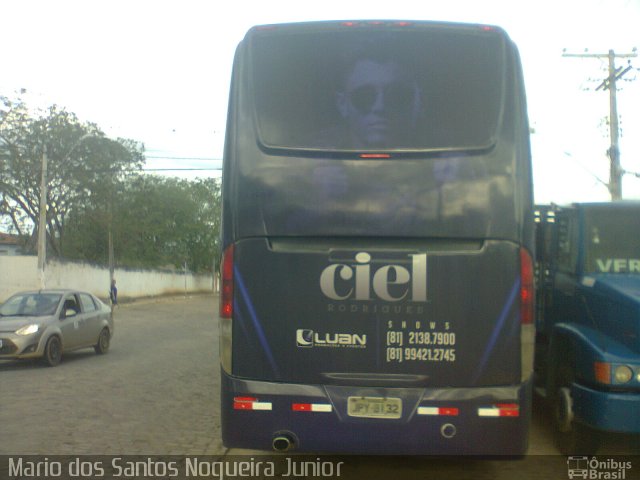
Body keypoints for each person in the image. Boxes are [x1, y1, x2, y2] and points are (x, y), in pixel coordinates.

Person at [333, 39, 424, 149]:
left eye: (396, 96)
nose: (380, 107)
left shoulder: (446, 156)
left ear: (418, 100)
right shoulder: (316, 157)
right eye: (364, 96)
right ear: (342, 104)